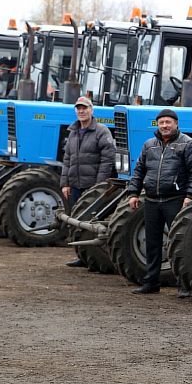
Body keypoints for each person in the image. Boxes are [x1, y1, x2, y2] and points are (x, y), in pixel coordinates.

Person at [127, 108, 192, 296]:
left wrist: (190, 195)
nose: (164, 125)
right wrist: (133, 193)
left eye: (168, 122)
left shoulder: (188, 144)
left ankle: (184, 285)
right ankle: (151, 282)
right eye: (161, 122)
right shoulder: (149, 145)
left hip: (175, 200)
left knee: (179, 243)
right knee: (152, 243)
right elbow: (139, 171)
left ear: (176, 123)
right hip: (151, 200)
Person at [60, 95, 116, 268]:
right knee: (77, 221)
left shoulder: (101, 131)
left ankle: (94, 258)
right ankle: (82, 256)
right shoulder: (73, 132)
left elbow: (107, 160)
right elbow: (67, 159)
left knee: (91, 222)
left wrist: (99, 185)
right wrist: (65, 183)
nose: (81, 111)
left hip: (92, 185)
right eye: (78, 108)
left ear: (92, 110)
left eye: (85, 108)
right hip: (75, 185)